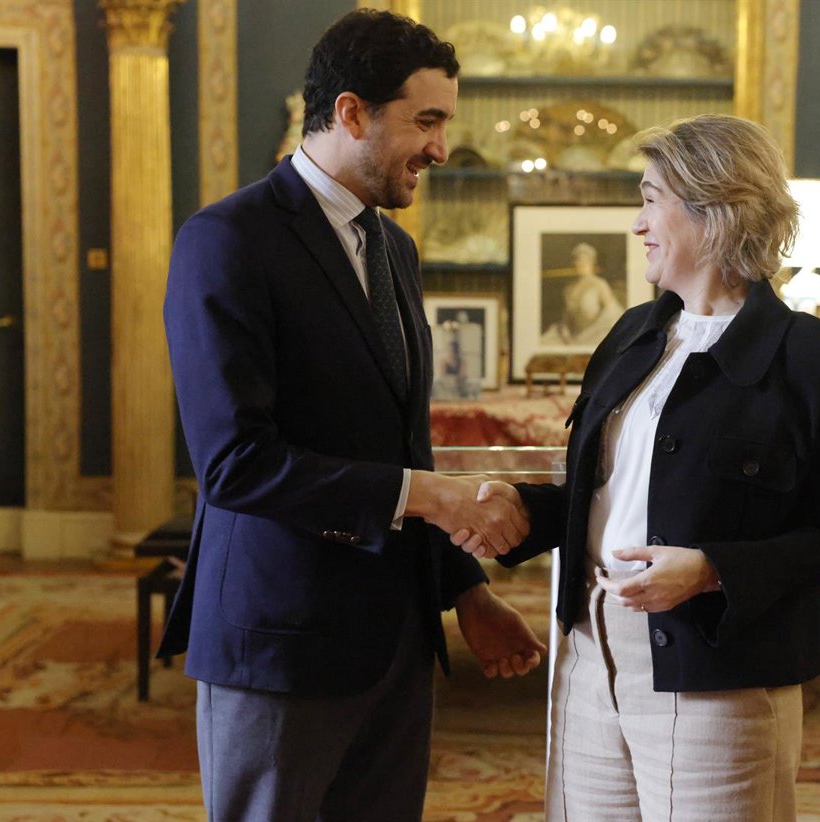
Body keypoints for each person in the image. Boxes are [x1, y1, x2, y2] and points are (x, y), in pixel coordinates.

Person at [159, 10, 544, 820]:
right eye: (427, 121)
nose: (442, 148)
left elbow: (402, 445)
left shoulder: (395, 249)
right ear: (351, 113)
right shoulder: (227, 240)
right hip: (280, 640)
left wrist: (467, 592)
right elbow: (234, 465)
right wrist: (427, 497)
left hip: (398, 641)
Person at [459, 114, 820, 821]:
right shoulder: (633, 333)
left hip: (719, 672)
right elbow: (612, 493)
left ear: (714, 212)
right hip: (589, 651)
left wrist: (712, 570)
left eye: (650, 200)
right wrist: (524, 509)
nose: (637, 225)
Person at [540, 241, 624, 346]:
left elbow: (611, 312)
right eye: (578, 260)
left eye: (585, 261)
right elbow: (568, 317)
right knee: (547, 342)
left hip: (596, 332)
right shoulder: (569, 288)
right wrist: (566, 332)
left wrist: (590, 332)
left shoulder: (599, 284)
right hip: (575, 334)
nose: (581, 264)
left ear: (592, 262)